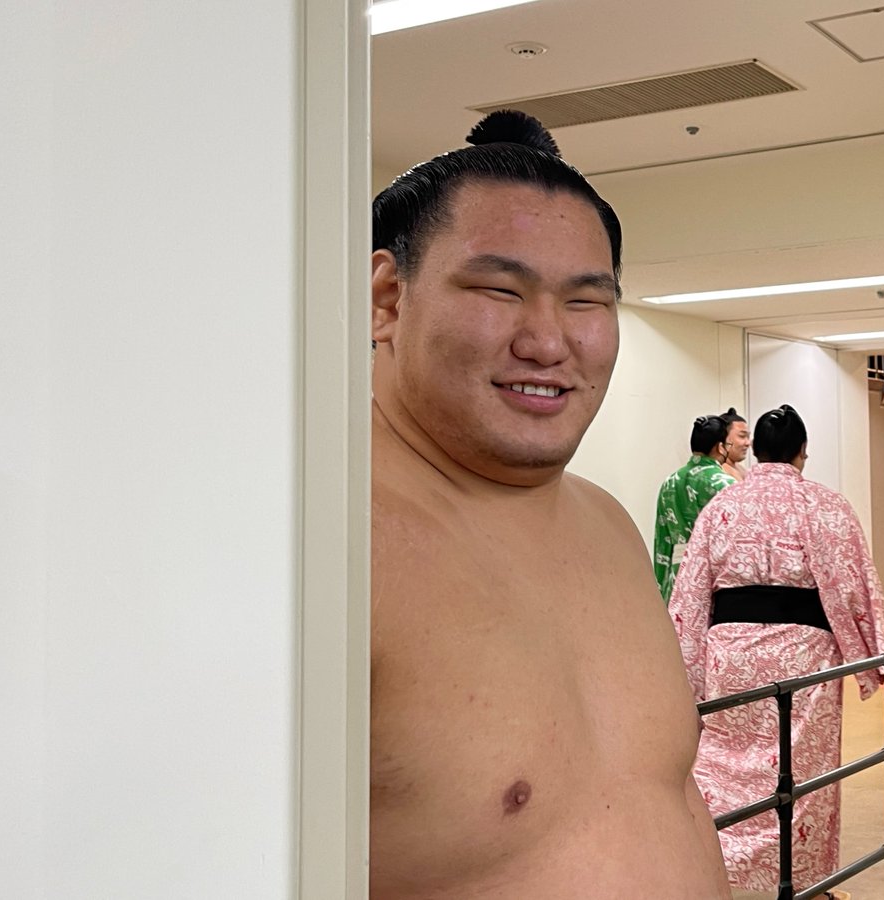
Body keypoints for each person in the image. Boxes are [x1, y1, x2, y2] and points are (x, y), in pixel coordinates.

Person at [370, 110, 732, 899]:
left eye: (586, 302)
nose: (546, 341)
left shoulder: (609, 525)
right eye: (501, 289)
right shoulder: (325, 545)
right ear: (388, 299)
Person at [669, 404, 884, 895]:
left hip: (730, 653)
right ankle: (804, 883)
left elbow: (691, 592)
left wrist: (686, 665)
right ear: (802, 452)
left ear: (757, 451)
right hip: (803, 656)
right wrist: (878, 651)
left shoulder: (723, 506)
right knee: (803, 771)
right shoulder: (825, 504)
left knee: (723, 763)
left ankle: (721, 868)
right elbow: (851, 581)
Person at [652, 414, 738, 601]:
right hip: (712, 578)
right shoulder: (725, 484)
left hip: (676, 578)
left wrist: (660, 590)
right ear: (720, 447)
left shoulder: (670, 482)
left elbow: (661, 542)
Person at [719, 408, 752, 481]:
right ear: (723, 438)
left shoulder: (741, 469)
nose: (748, 443)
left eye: (748, 437)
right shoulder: (720, 472)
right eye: (742, 436)